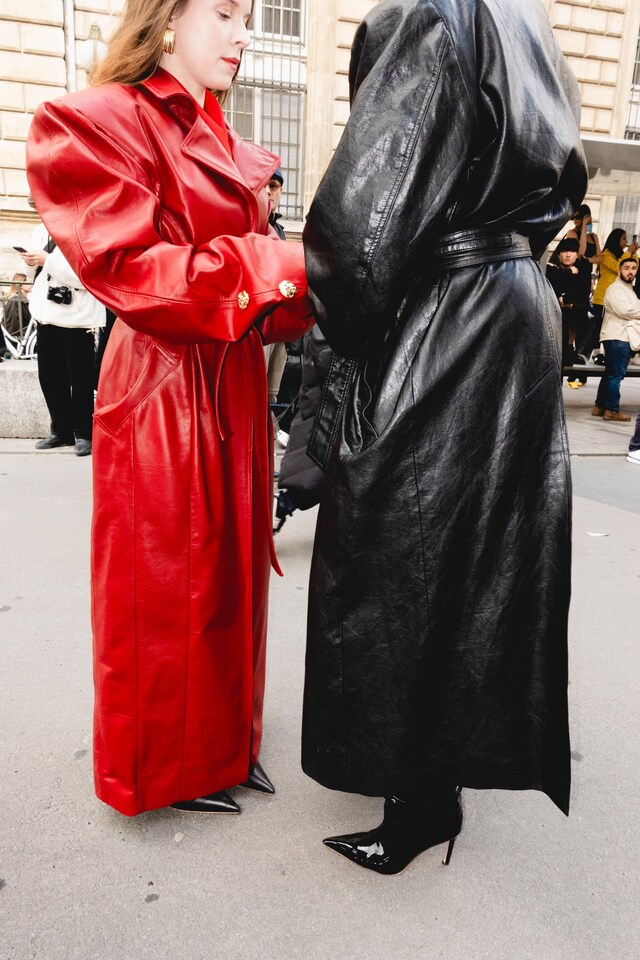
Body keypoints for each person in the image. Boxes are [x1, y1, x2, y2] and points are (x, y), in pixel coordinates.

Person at [301, 0, 587, 875]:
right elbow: (562, 186)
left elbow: (362, 227)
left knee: (396, 554)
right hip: (513, 303)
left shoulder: (432, 13)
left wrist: (343, 331)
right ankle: (438, 780)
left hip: (446, 309)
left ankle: (417, 798)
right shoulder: (527, 22)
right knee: (479, 559)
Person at [27, 0, 312, 817]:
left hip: (234, 381)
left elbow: (262, 289)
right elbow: (131, 266)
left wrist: (312, 289)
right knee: (166, 589)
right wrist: (285, 266)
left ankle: (224, 748)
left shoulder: (223, 136)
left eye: (247, 15)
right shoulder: (95, 121)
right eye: (223, 12)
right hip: (162, 387)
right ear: (166, 16)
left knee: (229, 582)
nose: (243, 32)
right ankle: (160, 769)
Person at [29, 241, 106, 456]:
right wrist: (31, 261)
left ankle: (83, 433)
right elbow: (37, 273)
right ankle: (60, 430)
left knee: (80, 379)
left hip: (78, 319)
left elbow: (88, 275)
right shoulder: (42, 229)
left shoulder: (86, 231)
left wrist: (48, 262)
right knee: (50, 376)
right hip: (46, 316)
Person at [592, 257, 640, 423]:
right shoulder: (615, 288)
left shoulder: (629, 290)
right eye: (626, 268)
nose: (630, 271)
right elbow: (627, 311)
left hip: (620, 336)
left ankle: (600, 406)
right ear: (619, 270)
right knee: (615, 375)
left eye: (633, 268)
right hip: (618, 337)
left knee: (610, 374)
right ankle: (612, 409)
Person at [586, 228, 638, 357]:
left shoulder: (622, 255)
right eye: (624, 238)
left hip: (617, 298)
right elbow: (618, 267)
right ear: (616, 239)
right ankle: (592, 353)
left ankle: (604, 354)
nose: (626, 241)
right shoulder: (606, 255)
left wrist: (634, 254)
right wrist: (629, 252)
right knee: (598, 328)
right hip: (603, 298)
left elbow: (632, 266)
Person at [545, 237, 588, 381]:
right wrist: (569, 272)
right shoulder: (550, 271)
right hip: (550, 327)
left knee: (560, 371)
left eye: (572, 251)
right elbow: (549, 278)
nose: (568, 255)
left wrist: (570, 304)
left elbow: (584, 304)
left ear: (577, 255)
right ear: (558, 255)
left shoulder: (582, 277)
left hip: (569, 331)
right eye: (564, 251)